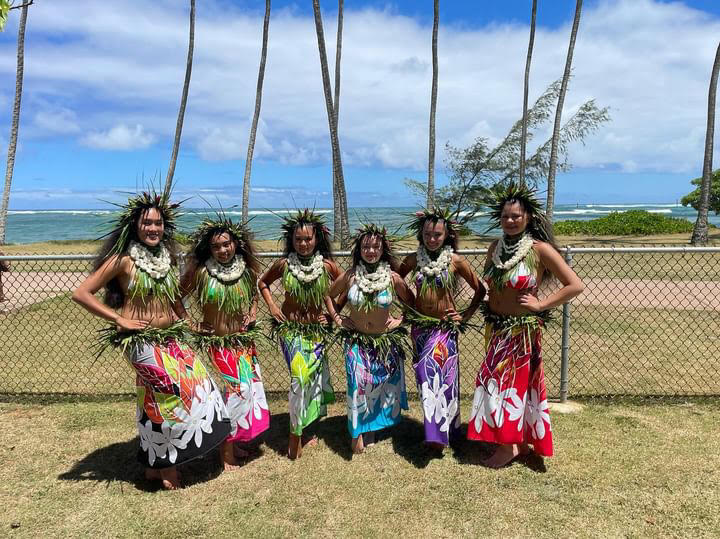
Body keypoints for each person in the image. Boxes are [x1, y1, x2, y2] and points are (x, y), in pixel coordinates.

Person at [72, 191, 230, 489]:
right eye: (147, 223)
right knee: (170, 395)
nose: (153, 228)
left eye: (158, 223)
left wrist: (188, 323)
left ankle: (153, 465)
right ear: (136, 225)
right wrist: (119, 319)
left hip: (171, 338)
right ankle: (168, 470)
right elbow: (81, 293)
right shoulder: (122, 260)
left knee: (200, 387)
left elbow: (172, 298)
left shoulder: (167, 259)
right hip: (142, 342)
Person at [467, 182, 584, 468]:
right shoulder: (495, 248)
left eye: (516, 216)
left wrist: (541, 305)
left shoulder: (539, 250)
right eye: (506, 216)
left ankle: (508, 447)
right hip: (496, 329)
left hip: (521, 331)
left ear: (527, 217)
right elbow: (490, 284)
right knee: (507, 386)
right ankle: (515, 441)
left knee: (497, 382)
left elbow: (575, 285)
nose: (510, 220)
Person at [180, 214, 269, 470]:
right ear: (209, 249)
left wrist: (252, 313)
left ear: (235, 244)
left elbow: (255, 292)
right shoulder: (200, 272)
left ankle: (235, 441)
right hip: (218, 344)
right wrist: (192, 323)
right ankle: (225, 452)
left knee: (246, 394)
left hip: (242, 343)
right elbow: (176, 298)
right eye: (216, 246)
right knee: (233, 395)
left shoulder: (245, 270)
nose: (222, 250)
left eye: (226, 244)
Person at [398, 208, 485, 450]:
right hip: (420, 328)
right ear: (421, 234)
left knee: (437, 378)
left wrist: (464, 316)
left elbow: (480, 289)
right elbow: (394, 280)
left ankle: (437, 438)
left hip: (445, 330)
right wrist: (406, 308)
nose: (432, 239)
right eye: (428, 234)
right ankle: (442, 430)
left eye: (437, 234)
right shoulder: (414, 259)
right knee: (426, 381)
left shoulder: (456, 261)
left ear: (446, 235)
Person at [258, 209, 341, 459]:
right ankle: (295, 436)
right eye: (298, 240)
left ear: (317, 240)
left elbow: (347, 283)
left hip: (316, 334)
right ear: (291, 241)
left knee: (312, 381)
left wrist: (334, 312)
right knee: (299, 377)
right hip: (291, 332)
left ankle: (307, 428)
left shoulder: (326, 266)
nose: (303, 244)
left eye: (308, 239)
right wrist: (272, 307)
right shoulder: (284, 264)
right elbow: (262, 283)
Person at [327, 224, 415, 454]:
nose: (370, 251)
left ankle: (372, 428)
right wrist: (337, 318)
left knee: (377, 386)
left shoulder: (393, 278)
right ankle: (356, 433)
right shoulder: (351, 276)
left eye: (375, 247)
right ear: (359, 249)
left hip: (383, 342)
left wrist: (401, 320)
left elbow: (412, 302)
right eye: (366, 246)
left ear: (382, 249)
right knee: (357, 385)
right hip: (357, 341)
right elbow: (328, 295)